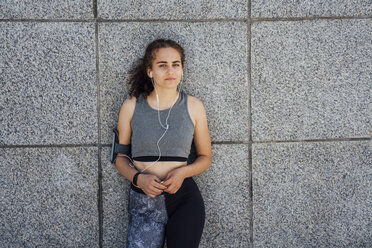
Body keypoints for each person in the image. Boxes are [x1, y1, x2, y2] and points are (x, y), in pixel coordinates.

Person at [114, 38, 212, 248]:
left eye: (176, 64)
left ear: (182, 69)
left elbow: (205, 158)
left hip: (184, 198)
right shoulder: (131, 105)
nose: (170, 70)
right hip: (143, 201)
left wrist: (183, 173)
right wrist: (138, 179)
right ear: (150, 71)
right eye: (162, 65)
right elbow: (119, 157)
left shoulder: (194, 106)